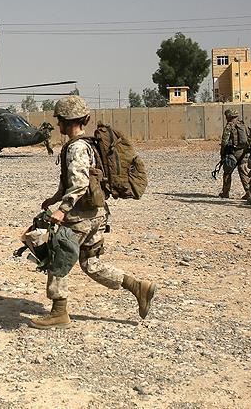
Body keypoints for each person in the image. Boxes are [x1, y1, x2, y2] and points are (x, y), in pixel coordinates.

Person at [31, 95, 156, 329]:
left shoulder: (76, 147)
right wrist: (54, 198)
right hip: (97, 213)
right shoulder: (88, 144)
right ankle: (138, 287)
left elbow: (78, 183)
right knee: (91, 263)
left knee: (59, 256)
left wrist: (62, 210)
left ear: (67, 122)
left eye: (60, 121)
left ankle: (59, 313)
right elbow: (80, 181)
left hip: (80, 217)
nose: (58, 125)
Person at [219, 109, 250, 200]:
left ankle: (225, 192)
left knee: (227, 172)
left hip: (232, 153)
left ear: (229, 116)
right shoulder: (242, 125)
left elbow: (224, 141)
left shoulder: (229, 126)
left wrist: (222, 153)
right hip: (243, 152)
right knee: (244, 172)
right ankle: (248, 192)